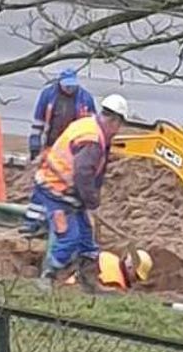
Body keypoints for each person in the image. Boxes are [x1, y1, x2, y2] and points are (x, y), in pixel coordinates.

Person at [32, 93, 129, 284]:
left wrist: (89, 198)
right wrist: (92, 202)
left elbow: (90, 174)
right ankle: (48, 277)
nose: (118, 131)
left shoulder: (89, 125)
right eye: (119, 126)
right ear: (114, 121)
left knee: (86, 239)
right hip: (56, 192)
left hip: (70, 191)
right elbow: (83, 174)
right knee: (69, 238)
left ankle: (88, 280)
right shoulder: (92, 141)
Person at [20, 68, 97, 236]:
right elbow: (38, 122)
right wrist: (35, 144)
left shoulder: (85, 99)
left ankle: (57, 224)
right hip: (51, 148)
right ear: (60, 83)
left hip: (72, 152)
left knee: (65, 188)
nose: (69, 89)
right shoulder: (48, 95)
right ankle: (33, 222)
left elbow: (92, 126)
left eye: (72, 86)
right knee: (43, 184)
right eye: (67, 86)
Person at [62, 249, 153, 292]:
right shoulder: (116, 283)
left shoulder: (111, 258)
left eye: (139, 278)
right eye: (137, 276)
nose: (136, 281)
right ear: (130, 267)